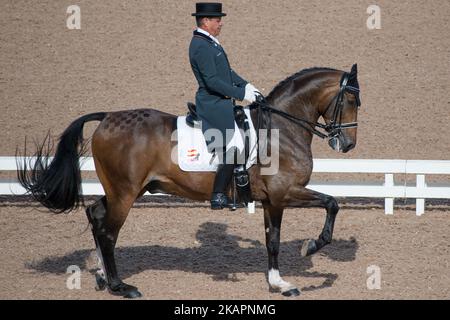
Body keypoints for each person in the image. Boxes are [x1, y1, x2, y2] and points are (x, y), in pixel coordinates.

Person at [189, 2, 260, 210]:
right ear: (205, 21)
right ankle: (218, 194)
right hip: (212, 103)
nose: (221, 23)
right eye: (217, 20)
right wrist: (241, 94)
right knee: (234, 144)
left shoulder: (211, 42)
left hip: (221, 101)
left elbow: (226, 73)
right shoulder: (200, 45)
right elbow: (212, 81)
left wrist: (246, 85)